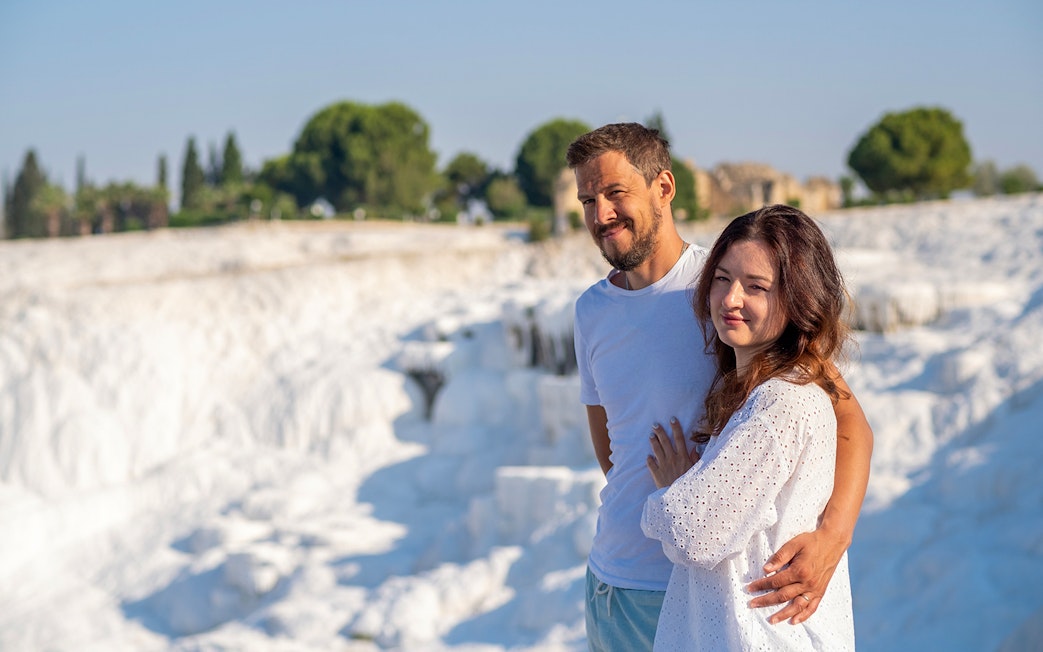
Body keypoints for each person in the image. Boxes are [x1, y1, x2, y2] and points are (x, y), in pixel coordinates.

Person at [566, 124, 871, 652]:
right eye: (588, 199)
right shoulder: (590, 311)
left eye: (616, 193)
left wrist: (832, 539)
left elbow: (847, 420)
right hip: (608, 587)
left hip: (695, 593)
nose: (601, 215)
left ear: (664, 187)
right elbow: (616, 454)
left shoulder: (728, 288)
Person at [641, 204, 856, 650]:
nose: (730, 299)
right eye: (721, 279)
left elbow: (692, 532)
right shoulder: (763, 390)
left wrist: (671, 490)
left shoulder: (780, 403)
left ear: (800, 299)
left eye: (755, 287)